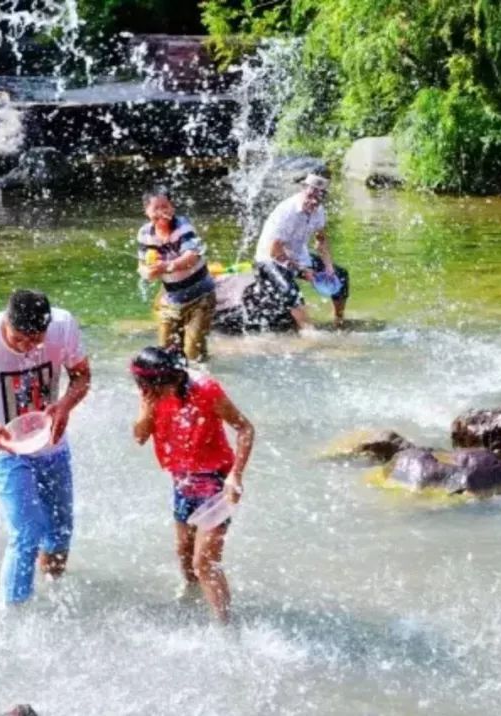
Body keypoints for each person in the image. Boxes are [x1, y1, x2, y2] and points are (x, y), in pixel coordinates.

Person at [0, 289, 90, 605]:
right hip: (3, 447)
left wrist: (63, 406)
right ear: (6, 322)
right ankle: (14, 614)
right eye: (20, 339)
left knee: (60, 530)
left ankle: (54, 593)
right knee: (27, 532)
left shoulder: (63, 326)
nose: (29, 347)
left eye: (37, 340)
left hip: (51, 443)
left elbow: (81, 376)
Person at [130, 346, 254, 624]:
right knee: (184, 554)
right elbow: (139, 437)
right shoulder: (151, 394)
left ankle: (226, 628)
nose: (145, 392)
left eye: (149, 388)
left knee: (205, 562)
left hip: (216, 481)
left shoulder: (207, 390)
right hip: (182, 480)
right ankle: (193, 602)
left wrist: (237, 475)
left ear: (166, 380)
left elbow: (245, 428)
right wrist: (147, 410)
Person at [253, 173, 350, 329]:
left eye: (318, 198)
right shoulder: (287, 212)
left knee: (341, 275)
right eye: (310, 195)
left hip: (298, 256)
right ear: (303, 189)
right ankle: (308, 332)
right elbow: (275, 251)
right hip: (269, 260)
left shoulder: (319, 211)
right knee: (292, 292)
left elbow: (321, 240)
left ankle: (339, 321)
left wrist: (329, 267)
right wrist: (303, 271)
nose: (313, 201)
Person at [137, 188, 216, 362]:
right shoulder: (144, 234)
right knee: (166, 352)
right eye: (155, 208)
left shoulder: (182, 226)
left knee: (192, 353)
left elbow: (192, 257)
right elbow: (142, 266)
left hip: (201, 297)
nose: (161, 212)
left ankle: (202, 380)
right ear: (146, 211)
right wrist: (148, 273)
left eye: (165, 207)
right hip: (171, 299)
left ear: (172, 208)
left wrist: (167, 266)